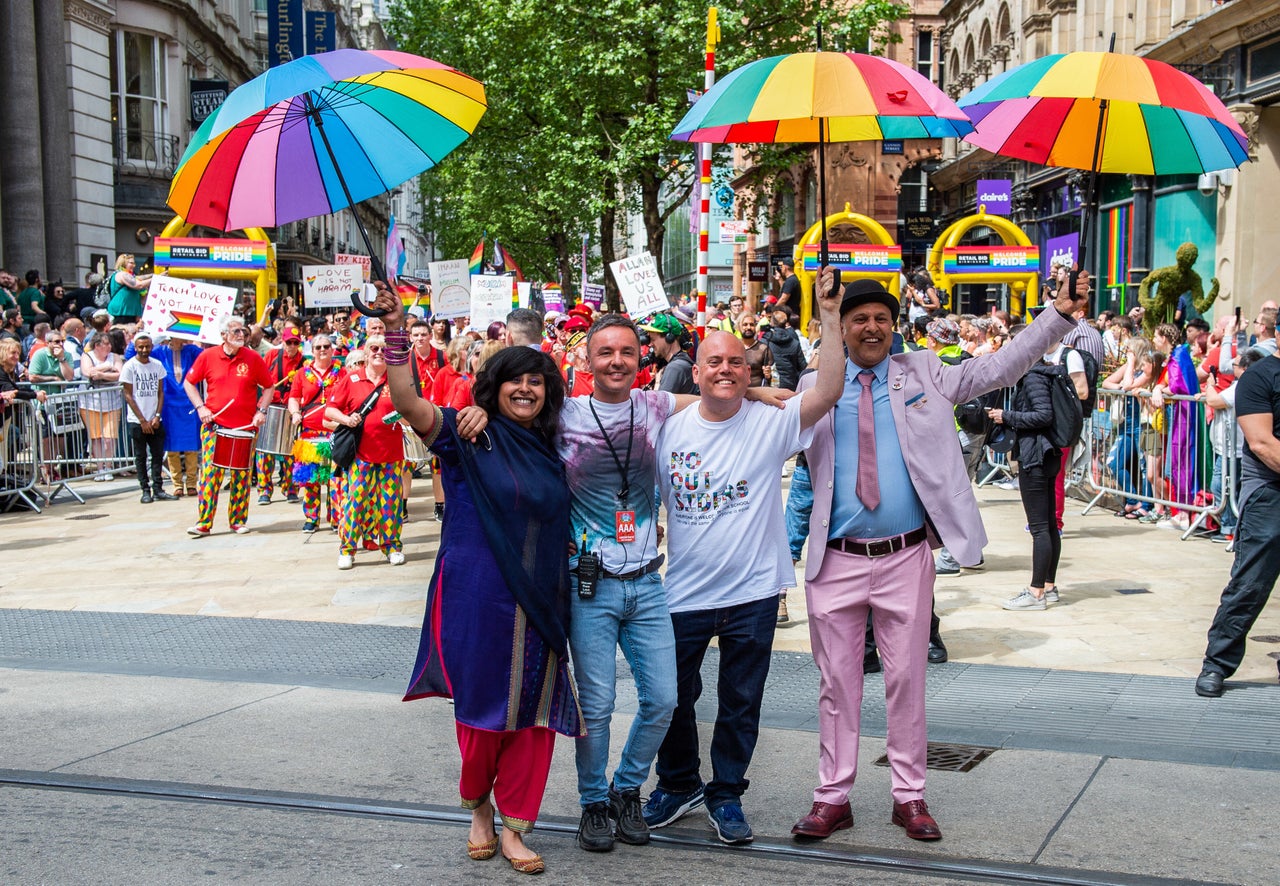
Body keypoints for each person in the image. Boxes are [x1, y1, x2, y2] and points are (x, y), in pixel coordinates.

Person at [789, 269, 1088, 844]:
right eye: (859, 320)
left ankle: (910, 796)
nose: (871, 328)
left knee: (908, 680)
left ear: (894, 328)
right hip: (835, 561)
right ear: (843, 329)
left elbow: (998, 367)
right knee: (836, 685)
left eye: (881, 319)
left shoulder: (923, 370)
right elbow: (761, 417)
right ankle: (832, 797)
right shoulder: (816, 385)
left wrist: (1058, 314)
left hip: (906, 558)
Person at [381, 290, 582, 876]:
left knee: (534, 713)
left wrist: (749, 390)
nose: (526, 389)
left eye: (537, 382)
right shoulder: (468, 435)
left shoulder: (554, 445)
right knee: (480, 709)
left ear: (549, 392)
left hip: (542, 598)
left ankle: (518, 823)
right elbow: (406, 401)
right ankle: (479, 810)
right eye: (514, 381)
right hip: (474, 595)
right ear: (492, 388)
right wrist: (397, 330)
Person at [643, 268, 845, 845]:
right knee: (672, 697)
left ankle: (726, 792)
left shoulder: (772, 423)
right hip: (681, 591)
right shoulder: (667, 426)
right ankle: (678, 782)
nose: (726, 370)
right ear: (695, 369)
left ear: (751, 369)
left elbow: (828, 391)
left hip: (754, 592)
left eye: (737, 364)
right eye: (715, 363)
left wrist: (828, 317)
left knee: (740, 702)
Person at [1195, 344, 1280, 698]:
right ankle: (1217, 664)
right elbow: (1261, 442)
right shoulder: (1261, 376)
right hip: (1270, 491)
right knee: (1250, 583)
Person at [991, 331, 1072, 611]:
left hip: (1036, 455)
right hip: (1045, 454)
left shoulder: (1035, 376)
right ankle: (1048, 585)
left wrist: (1006, 416)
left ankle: (1036, 591)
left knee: (1040, 528)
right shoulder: (1045, 373)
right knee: (1049, 525)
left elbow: (1043, 415)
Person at [183, 315, 274, 537]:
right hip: (215, 425)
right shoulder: (208, 356)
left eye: (243, 331)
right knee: (211, 475)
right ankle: (204, 522)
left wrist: (261, 411)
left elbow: (269, 386)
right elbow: (189, 382)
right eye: (236, 332)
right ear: (223, 335)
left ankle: (238, 520)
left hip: (244, 427)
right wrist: (200, 407)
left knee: (241, 475)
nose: (241, 335)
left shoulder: (252, 358)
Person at [324, 334, 407, 568]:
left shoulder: (397, 379)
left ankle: (392, 546)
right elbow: (330, 410)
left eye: (383, 348)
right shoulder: (351, 379)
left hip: (391, 454)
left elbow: (412, 412)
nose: (379, 352)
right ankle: (347, 549)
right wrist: (346, 419)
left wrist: (402, 415)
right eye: (374, 348)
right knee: (355, 502)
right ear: (366, 352)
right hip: (360, 454)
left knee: (390, 503)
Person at [288, 334, 342, 533]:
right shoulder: (302, 373)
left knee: (334, 479)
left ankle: (336, 517)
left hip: (334, 431)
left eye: (326, 346)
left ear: (332, 348)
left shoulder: (341, 372)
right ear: (312, 350)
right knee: (311, 479)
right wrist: (294, 413)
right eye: (318, 347)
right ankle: (311, 518)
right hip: (310, 432)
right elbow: (293, 397)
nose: (322, 350)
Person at [120, 333, 175, 503]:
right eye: (141, 347)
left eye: (147, 346)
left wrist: (157, 416)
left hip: (155, 418)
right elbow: (128, 394)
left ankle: (158, 488)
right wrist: (142, 420)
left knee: (158, 455)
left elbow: (160, 392)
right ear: (135, 347)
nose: (144, 350)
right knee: (140, 456)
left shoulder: (157, 365)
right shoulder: (130, 366)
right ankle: (145, 489)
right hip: (137, 420)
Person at [256, 325, 306, 505]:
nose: (291, 346)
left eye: (295, 343)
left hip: (291, 409)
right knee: (265, 451)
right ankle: (264, 490)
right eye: (288, 342)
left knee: (290, 452)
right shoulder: (271, 356)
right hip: (271, 406)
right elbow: (260, 378)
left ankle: (291, 488)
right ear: (282, 342)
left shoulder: (304, 362)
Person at [152, 334, 203, 498]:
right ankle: (177, 484)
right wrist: (152, 336)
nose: (175, 341)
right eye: (172, 338)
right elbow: (131, 354)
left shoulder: (190, 351)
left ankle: (191, 483)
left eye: (178, 337)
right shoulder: (160, 351)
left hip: (189, 403)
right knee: (172, 447)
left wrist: (194, 340)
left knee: (191, 446)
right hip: (169, 405)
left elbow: (205, 356)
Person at [79, 331, 124, 480]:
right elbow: (88, 372)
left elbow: (120, 373)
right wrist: (107, 367)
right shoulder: (87, 356)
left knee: (109, 437)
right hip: (90, 402)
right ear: (97, 345)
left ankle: (108, 467)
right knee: (96, 437)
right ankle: (99, 468)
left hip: (112, 402)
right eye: (106, 344)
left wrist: (102, 374)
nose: (109, 346)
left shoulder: (115, 357)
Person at [639, 313, 697, 395]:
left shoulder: (675, 367)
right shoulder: (678, 362)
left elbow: (661, 405)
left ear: (669, 338)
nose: (650, 344)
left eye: (653, 339)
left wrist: (657, 383)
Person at [763, 309, 806, 391]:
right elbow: (803, 366)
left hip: (771, 386)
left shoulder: (765, 342)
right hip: (791, 385)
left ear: (771, 323)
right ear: (786, 324)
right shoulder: (795, 343)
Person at [105, 254, 151, 324]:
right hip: (121, 312)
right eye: (131, 263)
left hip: (130, 312)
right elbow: (139, 285)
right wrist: (156, 279)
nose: (134, 265)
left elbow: (140, 278)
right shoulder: (122, 274)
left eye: (134, 263)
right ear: (123, 263)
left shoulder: (130, 276)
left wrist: (155, 275)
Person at [738, 312, 773, 388]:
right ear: (739, 327)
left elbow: (773, 379)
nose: (748, 327)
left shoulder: (763, 349)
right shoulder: (733, 347)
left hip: (757, 395)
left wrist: (768, 376)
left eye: (751, 324)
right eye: (745, 324)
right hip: (736, 395)